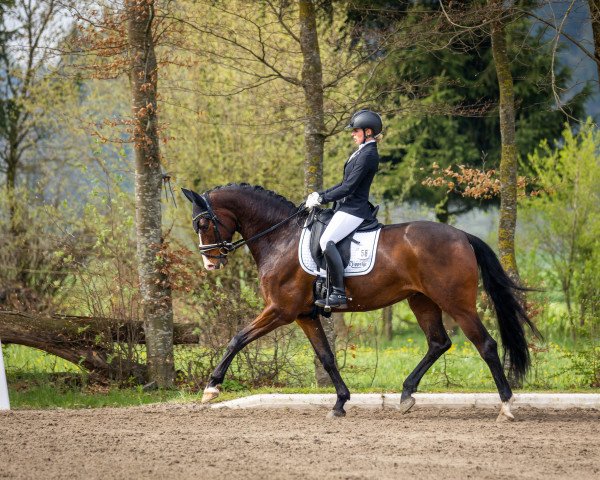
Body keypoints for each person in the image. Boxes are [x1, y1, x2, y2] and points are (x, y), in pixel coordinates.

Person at [305, 109, 382, 309]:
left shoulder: (368, 155)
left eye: (355, 131)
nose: (352, 134)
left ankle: (338, 293)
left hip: (354, 209)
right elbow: (343, 183)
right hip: (346, 206)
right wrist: (319, 194)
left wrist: (322, 198)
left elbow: (349, 188)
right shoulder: (361, 152)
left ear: (368, 132)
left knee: (326, 240)